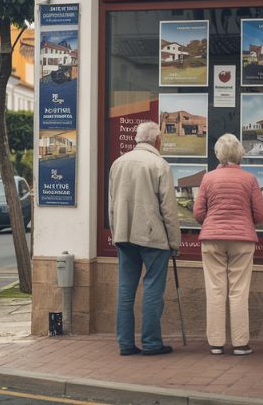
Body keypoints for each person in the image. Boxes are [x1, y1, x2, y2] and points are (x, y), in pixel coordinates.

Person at [109, 121, 181, 356]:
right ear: (157, 140)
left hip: (124, 233)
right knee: (152, 289)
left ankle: (126, 344)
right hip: (153, 236)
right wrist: (174, 242)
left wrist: (115, 232)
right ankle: (151, 343)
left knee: (125, 291)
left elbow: (111, 205)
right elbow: (169, 209)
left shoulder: (117, 164)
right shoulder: (160, 165)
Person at [193, 133, 263, 356]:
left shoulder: (208, 178)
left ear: (218, 154)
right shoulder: (250, 179)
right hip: (242, 240)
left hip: (212, 238)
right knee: (239, 291)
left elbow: (198, 213)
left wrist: (213, 222)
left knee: (215, 290)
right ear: (239, 154)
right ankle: (240, 343)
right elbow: (260, 214)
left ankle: (216, 343)